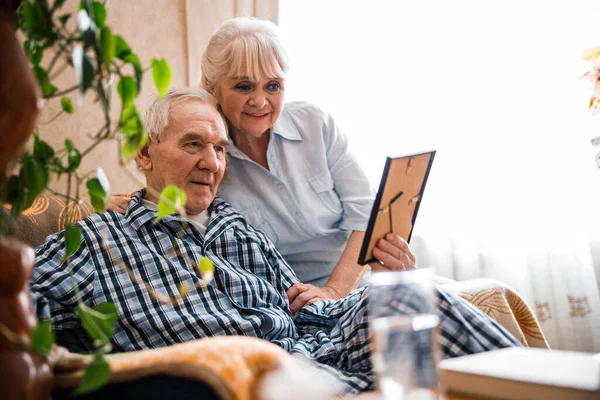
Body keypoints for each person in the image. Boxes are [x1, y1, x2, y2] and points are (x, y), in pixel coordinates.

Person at [31, 88, 520, 395]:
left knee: (419, 295)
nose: (211, 162)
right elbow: (21, 311)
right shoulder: (95, 240)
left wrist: (381, 287)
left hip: (321, 353)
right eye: (192, 144)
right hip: (255, 382)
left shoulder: (237, 229)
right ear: (144, 153)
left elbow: (307, 310)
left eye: (219, 148)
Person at [199, 17, 414, 313]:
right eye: (244, 86)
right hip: (294, 307)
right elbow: (165, 203)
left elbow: (366, 216)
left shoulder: (315, 124)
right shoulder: (208, 160)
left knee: (470, 300)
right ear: (214, 89)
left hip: (357, 283)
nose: (260, 101)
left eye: (272, 86)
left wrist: (335, 290)